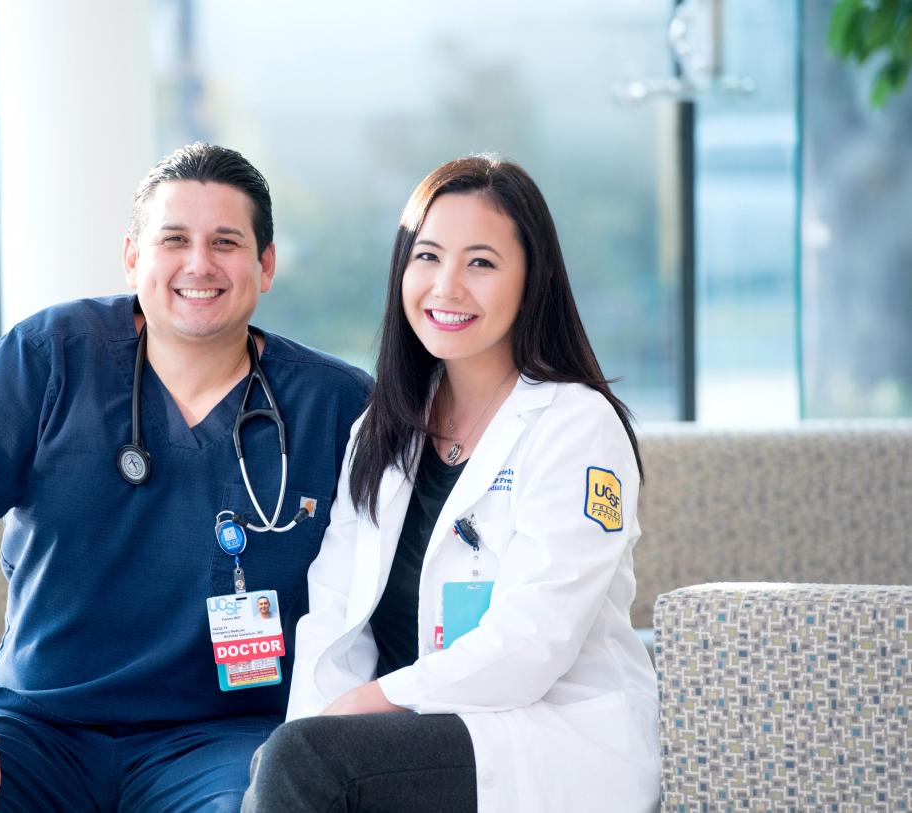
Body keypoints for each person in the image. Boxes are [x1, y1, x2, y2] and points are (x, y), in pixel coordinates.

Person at [0, 143, 371, 813]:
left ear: (264, 264)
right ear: (133, 257)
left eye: (225, 241)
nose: (198, 264)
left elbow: (395, 581)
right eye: (174, 240)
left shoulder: (334, 404)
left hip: (226, 740)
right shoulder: (49, 358)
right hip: (35, 732)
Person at [244, 155, 660, 812]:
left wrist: (365, 707)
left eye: (481, 263)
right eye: (428, 256)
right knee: (289, 757)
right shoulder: (383, 430)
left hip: (545, 741)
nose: (446, 286)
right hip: (410, 741)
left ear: (533, 279)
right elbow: (332, 618)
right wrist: (316, 723)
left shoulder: (576, 427)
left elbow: (532, 642)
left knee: (303, 761)